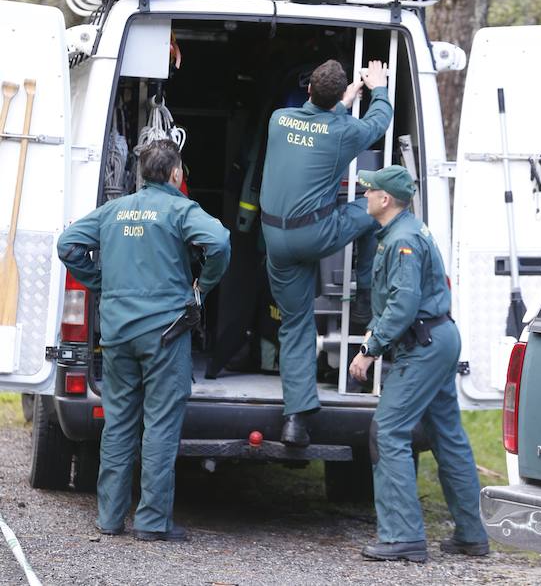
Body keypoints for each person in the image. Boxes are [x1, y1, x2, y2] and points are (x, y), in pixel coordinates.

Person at [57, 139, 230, 542]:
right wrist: (201, 286)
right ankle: (152, 523)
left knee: (118, 424)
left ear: (140, 174)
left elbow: (68, 245)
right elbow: (219, 242)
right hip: (165, 336)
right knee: (160, 426)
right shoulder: (179, 209)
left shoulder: (113, 211)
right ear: (175, 174)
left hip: (118, 335)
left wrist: (105, 284)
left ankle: (110, 519)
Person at [349, 165, 489, 563]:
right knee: (448, 435)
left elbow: (403, 303)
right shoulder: (407, 230)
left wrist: (370, 349)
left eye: (369, 191)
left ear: (385, 199)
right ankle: (470, 535)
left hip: (424, 344)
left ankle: (402, 537)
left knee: (388, 430)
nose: (365, 196)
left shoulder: (403, 240)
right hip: (438, 337)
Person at [260, 59, 392, 447]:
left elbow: (315, 123)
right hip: (314, 234)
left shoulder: (278, 120)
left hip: (276, 239)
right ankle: (367, 290)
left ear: (308, 91)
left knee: (295, 323)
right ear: (336, 98)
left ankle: (295, 420)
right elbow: (378, 123)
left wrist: (341, 101)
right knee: (375, 207)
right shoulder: (344, 131)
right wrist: (378, 87)